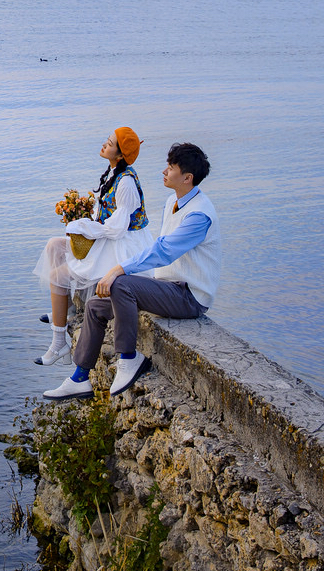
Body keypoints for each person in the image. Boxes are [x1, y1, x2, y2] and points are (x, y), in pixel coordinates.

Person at [43, 142, 218, 401]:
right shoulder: (174, 201)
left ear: (187, 177)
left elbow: (164, 251)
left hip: (188, 297)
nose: (164, 171)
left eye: (170, 168)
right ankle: (80, 377)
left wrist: (118, 268)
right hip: (168, 287)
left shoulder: (199, 215)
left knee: (119, 283)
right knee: (95, 306)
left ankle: (129, 358)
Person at [32, 127, 153, 367]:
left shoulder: (126, 182)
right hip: (109, 238)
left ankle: (59, 345)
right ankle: (63, 314)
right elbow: (104, 214)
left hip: (121, 246)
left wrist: (86, 228)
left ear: (119, 155)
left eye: (109, 143)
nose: (104, 145)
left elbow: (118, 227)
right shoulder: (113, 172)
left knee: (57, 276)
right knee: (54, 246)